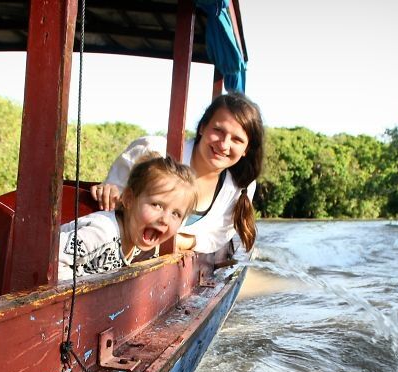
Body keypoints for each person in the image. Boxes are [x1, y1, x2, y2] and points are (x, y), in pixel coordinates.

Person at [92, 92, 264, 254]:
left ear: (246, 149)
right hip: (113, 250)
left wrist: (179, 242)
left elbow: (217, 236)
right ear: (202, 127)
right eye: (218, 131)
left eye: (237, 139)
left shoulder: (240, 185)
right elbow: (115, 191)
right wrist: (109, 192)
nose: (224, 145)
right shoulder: (154, 151)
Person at [58, 155, 197, 281]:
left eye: (176, 214)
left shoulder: (137, 240)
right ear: (129, 199)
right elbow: (50, 261)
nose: (165, 220)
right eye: (157, 205)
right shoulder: (103, 233)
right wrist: (83, 293)